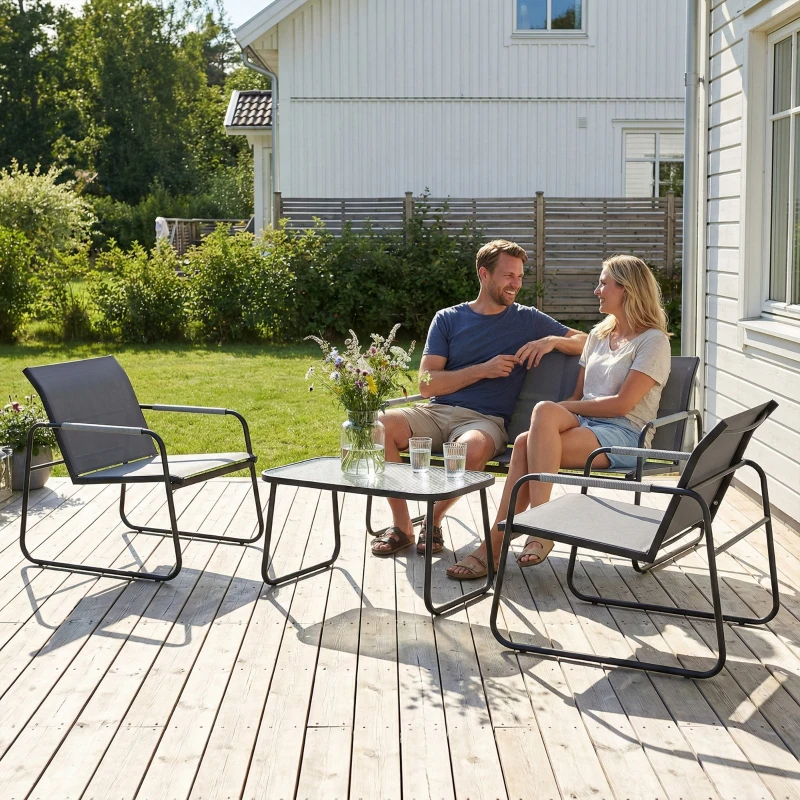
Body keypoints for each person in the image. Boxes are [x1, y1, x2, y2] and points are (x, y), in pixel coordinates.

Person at [446, 253, 672, 579]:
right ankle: (536, 528)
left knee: (526, 444)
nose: (597, 290)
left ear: (626, 289)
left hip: (624, 433)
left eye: (603, 283)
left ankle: (510, 539)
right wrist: (559, 409)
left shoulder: (653, 341)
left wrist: (563, 410)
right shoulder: (597, 336)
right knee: (532, 433)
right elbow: (579, 398)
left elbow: (622, 405)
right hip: (588, 424)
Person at [371, 239, 587, 557]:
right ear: (484, 274)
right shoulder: (448, 319)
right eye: (508, 276)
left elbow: (588, 341)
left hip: (484, 421)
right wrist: (482, 370)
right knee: (377, 427)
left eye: (519, 277)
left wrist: (552, 341)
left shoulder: (527, 319)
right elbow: (428, 385)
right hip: (435, 412)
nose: (516, 284)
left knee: (466, 450)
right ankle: (402, 525)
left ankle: (432, 520)